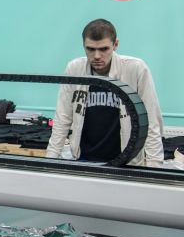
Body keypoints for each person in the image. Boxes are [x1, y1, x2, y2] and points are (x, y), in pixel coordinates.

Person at [46, 18, 164, 167]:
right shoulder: (74, 69)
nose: (96, 56)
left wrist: (155, 169)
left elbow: (151, 122)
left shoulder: (136, 69)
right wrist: (49, 162)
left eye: (103, 49)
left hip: (126, 164)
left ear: (115, 45)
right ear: (83, 46)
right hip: (84, 160)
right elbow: (62, 119)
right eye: (90, 49)